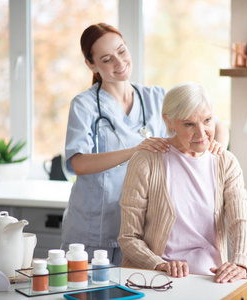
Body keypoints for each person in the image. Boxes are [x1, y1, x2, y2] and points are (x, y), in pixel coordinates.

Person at [62, 23, 229, 265]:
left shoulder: (156, 98)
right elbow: (78, 163)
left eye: (121, 52)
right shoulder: (84, 105)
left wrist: (217, 150)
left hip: (142, 231)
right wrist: (136, 150)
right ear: (91, 64)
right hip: (93, 228)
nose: (119, 64)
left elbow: (218, 125)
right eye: (107, 59)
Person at [118, 82, 247, 283]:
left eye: (207, 120)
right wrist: (159, 264)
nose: (201, 133)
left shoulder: (226, 162)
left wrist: (240, 262)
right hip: (156, 279)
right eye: (189, 124)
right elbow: (128, 237)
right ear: (169, 122)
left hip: (211, 279)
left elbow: (239, 220)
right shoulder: (146, 161)